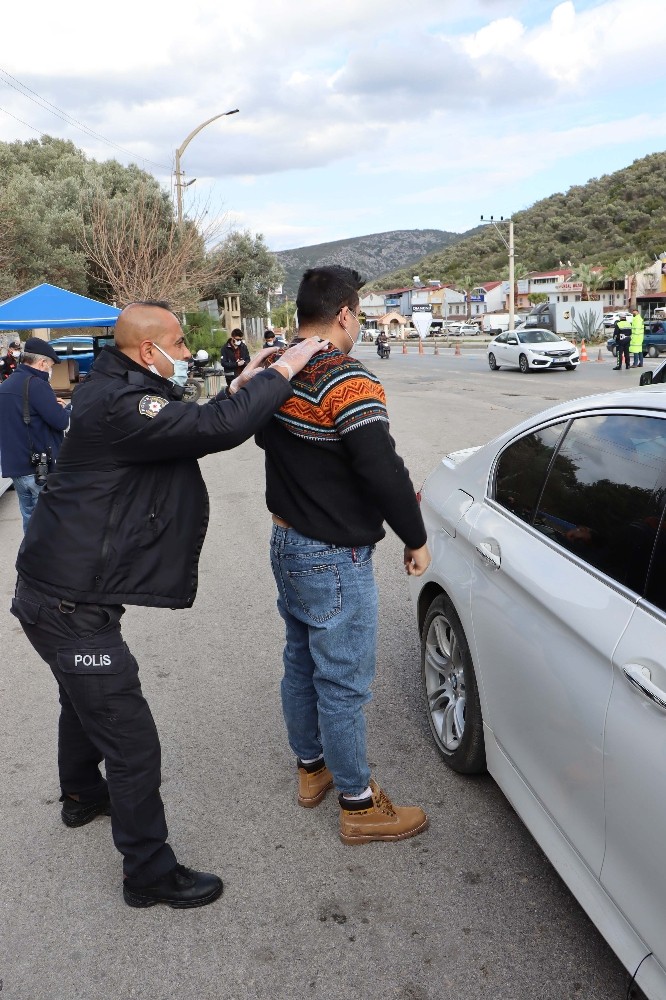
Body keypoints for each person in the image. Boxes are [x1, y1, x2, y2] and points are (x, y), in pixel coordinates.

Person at [10, 301, 327, 909]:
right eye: (179, 344)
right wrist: (285, 367)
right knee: (130, 741)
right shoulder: (117, 404)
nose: (187, 355)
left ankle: (80, 796)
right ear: (144, 349)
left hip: (58, 592)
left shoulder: (113, 387)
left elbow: (185, 418)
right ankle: (149, 873)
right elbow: (217, 429)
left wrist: (241, 384)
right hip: (68, 603)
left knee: (81, 701)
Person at [256, 266, 431, 846]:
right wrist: (414, 534)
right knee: (343, 682)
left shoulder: (277, 370)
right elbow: (381, 467)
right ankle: (359, 804)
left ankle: (312, 771)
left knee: (301, 663)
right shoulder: (345, 377)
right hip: (332, 556)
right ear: (346, 315)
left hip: (286, 542)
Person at [0, 337, 71, 531]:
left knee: (30, 519)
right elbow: (61, 421)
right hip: (38, 467)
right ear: (41, 363)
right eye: (50, 365)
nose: (50, 370)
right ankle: (44, 560)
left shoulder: (6, 386)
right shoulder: (37, 385)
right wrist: (65, 409)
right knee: (47, 523)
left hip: (16, 467)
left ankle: (29, 559)